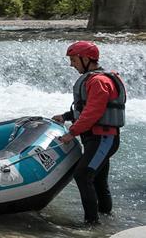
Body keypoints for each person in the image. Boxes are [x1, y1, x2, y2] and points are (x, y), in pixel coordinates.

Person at [51, 41, 126, 226]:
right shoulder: (95, 79)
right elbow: (87, 108)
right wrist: (66, 116)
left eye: (74, 60)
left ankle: (92, 224)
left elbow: (94, 112)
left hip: (103, 139)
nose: (71, 64)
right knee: (98, 179)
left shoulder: (99, 81)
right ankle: (107, 219)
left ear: (86, 59)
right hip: (99, 138)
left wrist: (72, 133)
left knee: (83, 175)